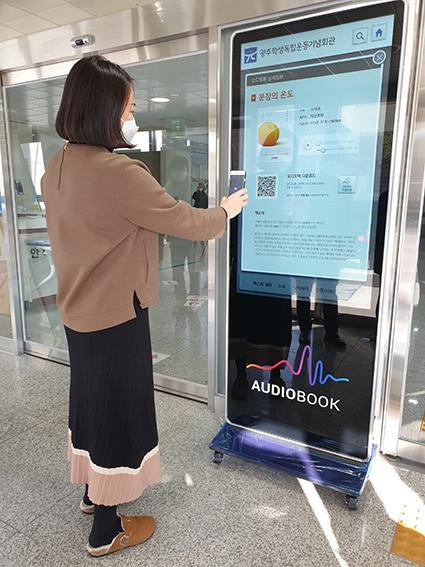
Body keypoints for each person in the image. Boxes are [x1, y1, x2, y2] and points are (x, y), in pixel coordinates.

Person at [41, 55, 248, 558]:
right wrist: (225, 211)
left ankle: (92, 491)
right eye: (129, 108)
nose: (133, 117)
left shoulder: (57, 165)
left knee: (90, 404)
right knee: (117, 411)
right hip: (116, 315)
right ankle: (105, 529)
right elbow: (184, 220)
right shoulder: (119, 173)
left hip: (77, 312)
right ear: (104, 109)